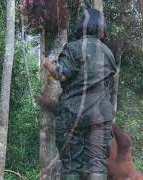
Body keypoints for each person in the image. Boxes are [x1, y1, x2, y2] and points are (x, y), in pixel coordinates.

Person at [42, 8, 118, 180]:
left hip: (73, 115)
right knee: (97, 164)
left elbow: (61, 74)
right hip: (100, 115)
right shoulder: (108, 52)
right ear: (101, 27)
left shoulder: (74, 48)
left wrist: (48, 64)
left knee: (71, 165)